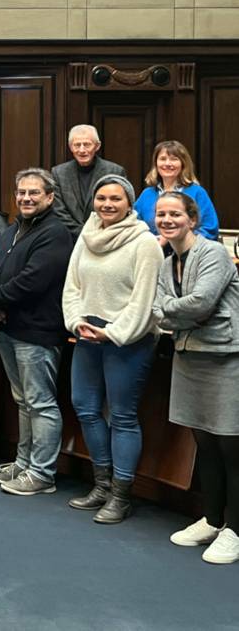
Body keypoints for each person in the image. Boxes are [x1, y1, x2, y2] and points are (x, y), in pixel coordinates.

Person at [63, 174, 164, 524]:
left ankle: (121, 495)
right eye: (102, 197)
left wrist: (113, 333)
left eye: (115, 199)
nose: (107, 204)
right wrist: (76, 322)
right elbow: (72, 284)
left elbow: (145, 301)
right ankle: (101, 484)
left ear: (129, 204)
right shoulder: (87, 235)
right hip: (87, 333)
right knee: (86, 408)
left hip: (128, 340)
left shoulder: (145, 243)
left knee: (121, 415)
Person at [154, 191, 239, 564]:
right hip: (189, 357)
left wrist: (172, 313)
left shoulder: (214, 253)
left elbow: (203, 301)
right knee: (203, 442)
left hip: (224, 357)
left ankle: (235, 530)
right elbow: (158, 311)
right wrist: (178, 313)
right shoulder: (166, 260)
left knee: (230, 447)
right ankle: (213, 519)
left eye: (175, 213)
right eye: (161, 214)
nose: (167, 220)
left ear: (192, 218)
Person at [0, 168, 73, 496]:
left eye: (34, 193)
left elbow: (34, 280)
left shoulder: (56, 233)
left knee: (40, 401)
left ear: (49, 197)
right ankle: (24, 463)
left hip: (37, 330)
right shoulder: (11, 230)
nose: (26, 198)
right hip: (8, 326)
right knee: (23, 400)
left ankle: (42, 473)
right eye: (21, 192)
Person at [133, 140, 220, 241]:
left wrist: (173, 240)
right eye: (162, 159)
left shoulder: (197, 192)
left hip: (188, 254)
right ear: (156, 163)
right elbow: (134, 225)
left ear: (183, 164)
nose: (168, 163)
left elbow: (210, 229)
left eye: (174, 159)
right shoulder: (147, 194)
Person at [51, 124, 126, 240]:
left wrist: (98, 233)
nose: (82, 150)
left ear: (97, 146)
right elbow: (58, 211)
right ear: (70, 147)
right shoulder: (58, 173)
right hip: (69, 239)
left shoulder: (114, 171)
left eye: (87, 144)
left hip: (105, 237)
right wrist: (83, 233)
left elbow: (120, 206)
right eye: (77, 145)